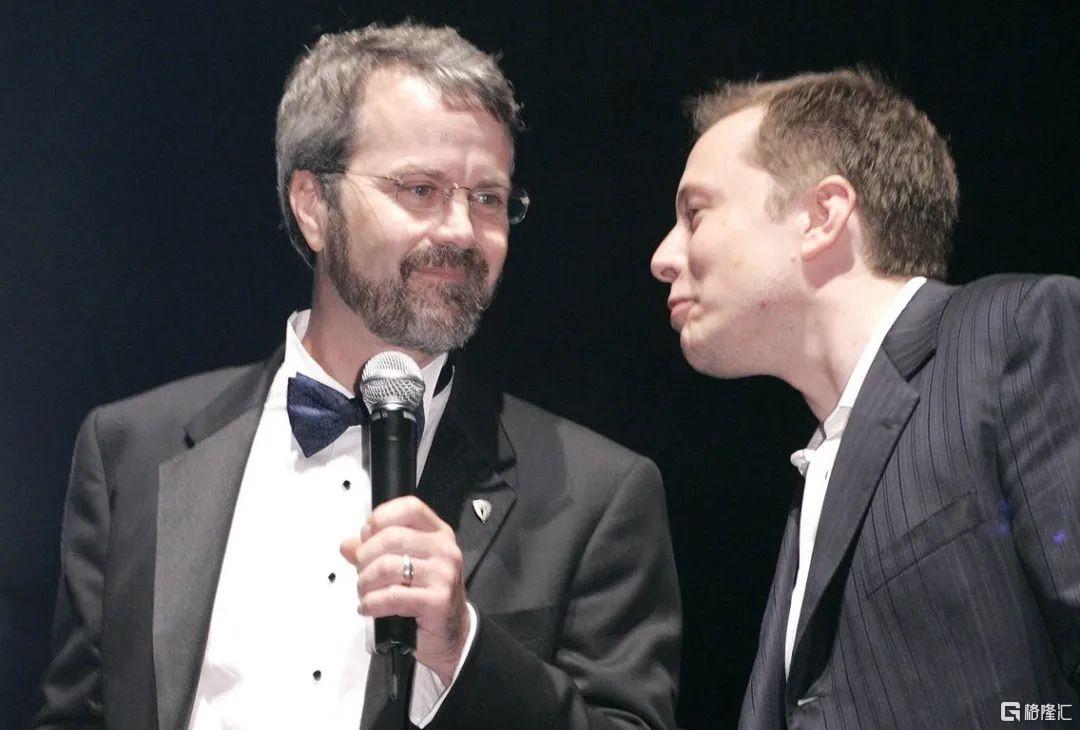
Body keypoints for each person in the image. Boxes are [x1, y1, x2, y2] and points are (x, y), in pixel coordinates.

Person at [36, 23, 680, 730]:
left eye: (488, 198)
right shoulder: (132, 450)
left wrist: (463, 650)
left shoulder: (597, 494)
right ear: (313, 205)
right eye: (421, 189)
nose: (462, 231)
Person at [651, 68, 1079, 728]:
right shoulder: (821, 466)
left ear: (821, 216)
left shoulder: (1017, 332)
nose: (663, 256)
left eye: (695, 214)